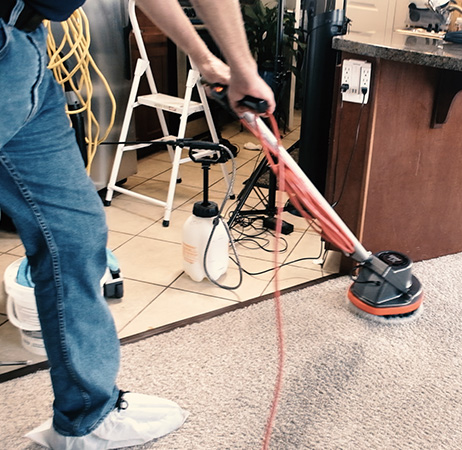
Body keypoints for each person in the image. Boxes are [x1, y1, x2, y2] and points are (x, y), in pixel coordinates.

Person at [0, 0, 275, 448]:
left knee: (73, 235)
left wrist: (207, 60)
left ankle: (86, 416)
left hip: (27, 48)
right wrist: (242, 66)